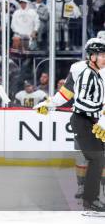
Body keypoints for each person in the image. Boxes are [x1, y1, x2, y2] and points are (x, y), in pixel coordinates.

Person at [35, 37, 105, 213]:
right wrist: (49, 104)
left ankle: (92, 197)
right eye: (102, 54)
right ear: (92, 56)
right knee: (96, 158)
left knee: (98, 158)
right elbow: (65, 94)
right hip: (88, 120)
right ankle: (90, 199)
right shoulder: (80, 70)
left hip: (98, 119)